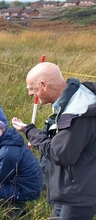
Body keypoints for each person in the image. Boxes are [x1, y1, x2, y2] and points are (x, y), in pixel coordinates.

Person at [12, 62, 96, 220]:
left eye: (32, 88)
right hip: (69, 184)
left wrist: (29, 130)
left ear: (43, 85)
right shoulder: (72, 97)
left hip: (80, 192)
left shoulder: (78, 111)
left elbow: (60, 154)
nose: (30, 94)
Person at [0, 120, 43, 207]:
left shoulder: (6, 153)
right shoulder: (12, 137)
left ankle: (16, 207)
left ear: (3, 130)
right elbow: (3, 149)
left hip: (27, 191)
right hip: (31, 183)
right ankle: (4, 179)